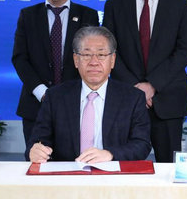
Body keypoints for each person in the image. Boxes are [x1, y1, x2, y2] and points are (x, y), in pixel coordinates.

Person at [103, 0, 187, 163]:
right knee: (123, 165)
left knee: (169, 166)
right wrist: (135, 89)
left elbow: (184, 51)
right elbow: (109, 51)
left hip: (168, 98)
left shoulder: (181, 5)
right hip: (125, 98)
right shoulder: (114, 6)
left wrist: (152, 85)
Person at [26, 26, 151, 163]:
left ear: (112, 60)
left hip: (112, 172)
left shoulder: (133, 98)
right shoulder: (55, 96)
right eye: (86, 55)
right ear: (76, 60)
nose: (94, 62)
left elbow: (142, 145)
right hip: (68, 173)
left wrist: (110, 154)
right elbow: (38, 141)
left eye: (101, 55)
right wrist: (35, 151)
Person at [12, 0, 99, 148]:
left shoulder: (88, 15)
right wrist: (42, 92)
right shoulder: (28, 15)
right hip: (36, 105)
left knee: (77, 160)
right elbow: (20, 58)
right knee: (38, 159)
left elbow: (92, 58)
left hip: (77, 103)